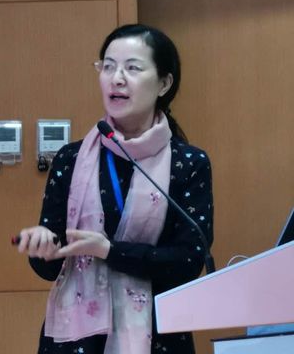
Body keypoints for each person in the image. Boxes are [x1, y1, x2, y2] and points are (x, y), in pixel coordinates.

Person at [17, 24, 213, 354]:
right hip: (76, 342)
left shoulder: (188, 163)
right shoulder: (71, 159)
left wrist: (110, 251)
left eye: (132, 68)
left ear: (164, 83)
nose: (116, 78)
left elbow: (188, 262)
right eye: (108, 67)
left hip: (158, 340)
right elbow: (49, 269)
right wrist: (42, 247)